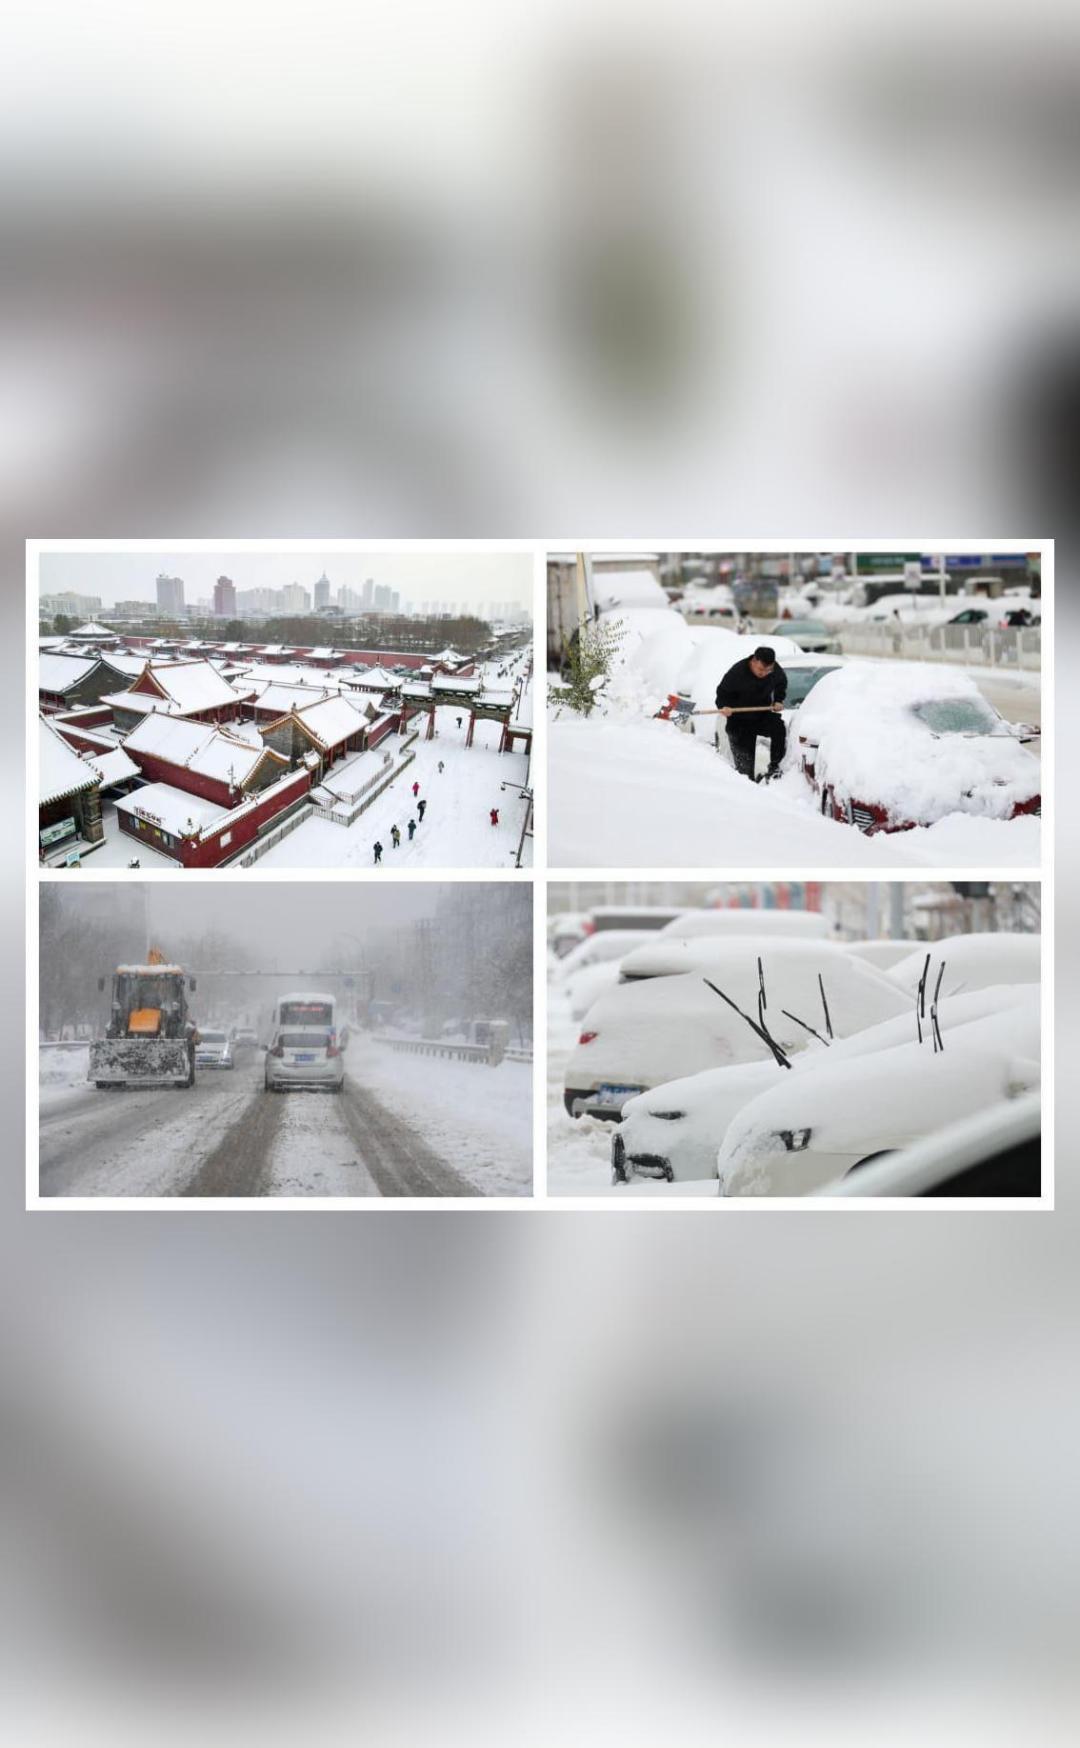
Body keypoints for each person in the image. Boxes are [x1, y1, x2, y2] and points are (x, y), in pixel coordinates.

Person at [715, 645, 788, 781]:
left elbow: (781, 683)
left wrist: (778, 700)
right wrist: (723, 707)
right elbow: (722, 692)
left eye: (767, 670)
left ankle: (775, 767)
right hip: (739, 720)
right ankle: (746, 783)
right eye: (760, 669)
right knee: (745, 769)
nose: (764, 673)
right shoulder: (737, 672)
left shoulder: (775, 670)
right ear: (753, 661)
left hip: (762, 714)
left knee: (778, 727)